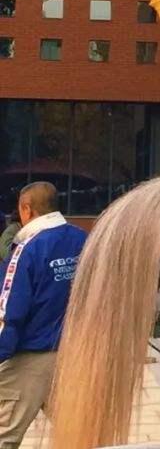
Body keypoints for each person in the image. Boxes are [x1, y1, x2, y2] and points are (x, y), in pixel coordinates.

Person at [0, 182, 88, 447]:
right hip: (73, 354)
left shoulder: (28, 248)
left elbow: (10, 313)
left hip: (31, 357)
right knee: (79, 433)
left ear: (27, 209)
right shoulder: (83, 239)